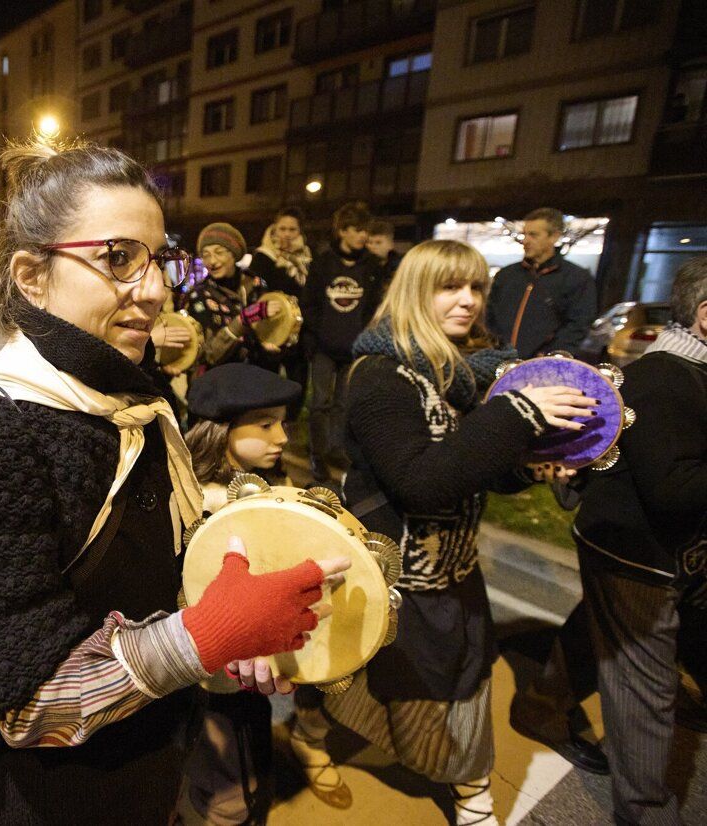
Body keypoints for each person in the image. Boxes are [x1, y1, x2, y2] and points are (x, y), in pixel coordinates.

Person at [0, 140, 347, 825]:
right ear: (31, 277)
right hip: (52, 803)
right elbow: (20, 705)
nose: (152, 290)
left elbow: (153, 586)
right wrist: (203, 637)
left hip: (153, 770)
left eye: (158, 260)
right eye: (118, 258)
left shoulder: (131, 397)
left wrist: (231, 628)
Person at [321, 239, 596, 826]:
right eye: (450, 286)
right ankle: (313, 739)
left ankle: (471, 790)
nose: (468, 300)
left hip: (453, 565)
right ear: (415, 292)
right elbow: (422, 482)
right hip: (396, 573)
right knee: (370, 677)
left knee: (465, 678)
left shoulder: (457, 373)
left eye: (476, 287)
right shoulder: (379, 376)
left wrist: (531, 466)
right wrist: (516, 414)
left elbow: (474, 469)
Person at [513, 257, 707, 825]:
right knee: (643, 687)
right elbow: (672, 489)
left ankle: (542, 705)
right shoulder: (667, 377)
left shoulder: (691, 372)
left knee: (604, 632)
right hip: (634, 554)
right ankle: (646, 810)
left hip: (650, 552)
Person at [181, 362, 307, 823]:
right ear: (222, 429)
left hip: (248, 663)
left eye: (283, 423)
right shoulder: (207, 505)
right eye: (265, 424)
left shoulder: (267, 489)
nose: (282, 438)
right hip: (218, 667)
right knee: (230, 772)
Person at [301, 200, 385, 481]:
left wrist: (365, 337)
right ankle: (317, 453)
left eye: (365, 230)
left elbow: (374, 307)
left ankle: (336, 449)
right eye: (358, 230)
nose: (363, 235)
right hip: (323, 348)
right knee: (319, 404)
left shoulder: (371, 266)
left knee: (343, 404)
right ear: (343, 231)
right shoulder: (323, 263)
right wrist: (321, 333)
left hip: (354, 349)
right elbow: (309, 303)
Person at [485, 208, 596, 359]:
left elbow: (578, 325)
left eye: (533, 235)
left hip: (541, 364)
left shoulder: (576, 278)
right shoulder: (506, 275)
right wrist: (493, 347)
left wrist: (547, 356)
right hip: (499, 360)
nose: (525, 241)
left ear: (554, 236)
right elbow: (490, 316)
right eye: (524, 234)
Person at [182, 222, 285, 373]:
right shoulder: (198, 297)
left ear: (234, 254)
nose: (212, 261)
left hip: (258, 375)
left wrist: (268, 344)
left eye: (219, 252)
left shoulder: (256, 284)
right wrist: (241, 321)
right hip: (220, 380)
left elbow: (267, 330)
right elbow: (208, 354)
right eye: (206, 255)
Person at [248, 206, 313, 394]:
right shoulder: (263, 257)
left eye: (292, 229)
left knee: (298, 385)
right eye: (282, 229)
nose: (287, 234)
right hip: (271, 328)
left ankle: (292, 414)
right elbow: (255, 292)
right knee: (267, 385)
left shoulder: (306, 258)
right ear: (274, 229)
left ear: (300, 231)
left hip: (299, 331)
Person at [366, 219, 402, 288]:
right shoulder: (361, 266)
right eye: (369, 242)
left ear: (391, 245)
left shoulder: (400, 267)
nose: (373, 247)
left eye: (378, 243)